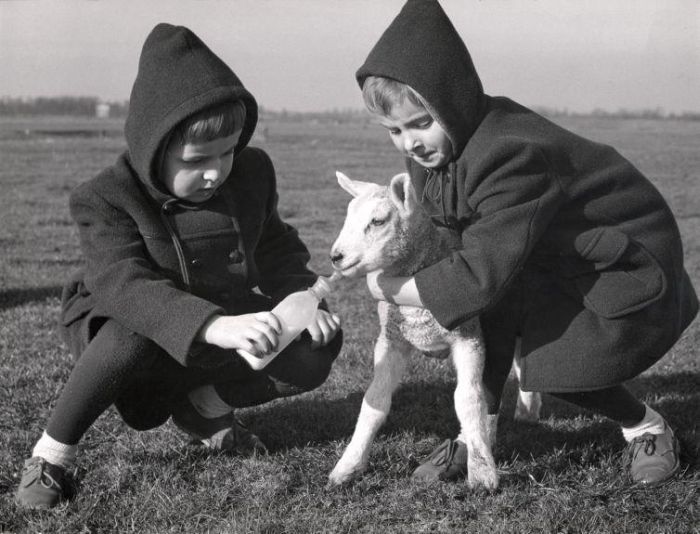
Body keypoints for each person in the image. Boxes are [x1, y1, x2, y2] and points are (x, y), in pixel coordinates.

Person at [354, 0, 697, 486]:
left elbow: (477, 275)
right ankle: (476, 440)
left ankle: (645, 425)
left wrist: (388, 288)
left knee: (564, 364)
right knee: (489, 321)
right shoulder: (433, 155)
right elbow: (456, 241)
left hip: (616, 256)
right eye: (395, 130)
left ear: (453, 101)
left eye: (420, 122)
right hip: (542, 253)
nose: (409, 142)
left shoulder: (509, 154)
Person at [15, 23, 342, 509]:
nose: (217, 171)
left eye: (228, 152)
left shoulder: (253, 174)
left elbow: (275, 245)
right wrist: (215, 327)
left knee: (319, 344)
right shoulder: (106, 196)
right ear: (154, 148)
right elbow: (124, 286)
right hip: (131, 325)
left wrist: (300, 296)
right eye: (197, 159)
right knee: (130, 332)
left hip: (225, 316)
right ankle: (50, 456)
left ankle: (204, 410)